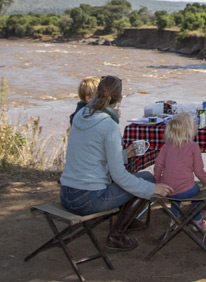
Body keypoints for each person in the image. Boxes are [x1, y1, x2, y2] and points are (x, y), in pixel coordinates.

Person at [60, 75, 173, 252]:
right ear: (120, 99)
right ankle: (116, 237)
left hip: (66, 195)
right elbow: (118, 176)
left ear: (97, 93)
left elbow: (92, 157)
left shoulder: (80, 115)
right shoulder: (108, 125)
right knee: (147, 179)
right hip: (88, 200)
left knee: (137, 181)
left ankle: (126, 218)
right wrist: (152, 189)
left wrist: (124, 155)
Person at [153, 112, 206, 230]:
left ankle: (174, 219)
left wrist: (158, 184)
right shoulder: (193, 147)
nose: (196, 125)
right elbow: (199, 171)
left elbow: (158, 166)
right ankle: (197, 220)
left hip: (167, 189)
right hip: (185, 191)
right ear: (189, 129)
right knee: (196, 190)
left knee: (175, 192)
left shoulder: (166, 146)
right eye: (194, 123)